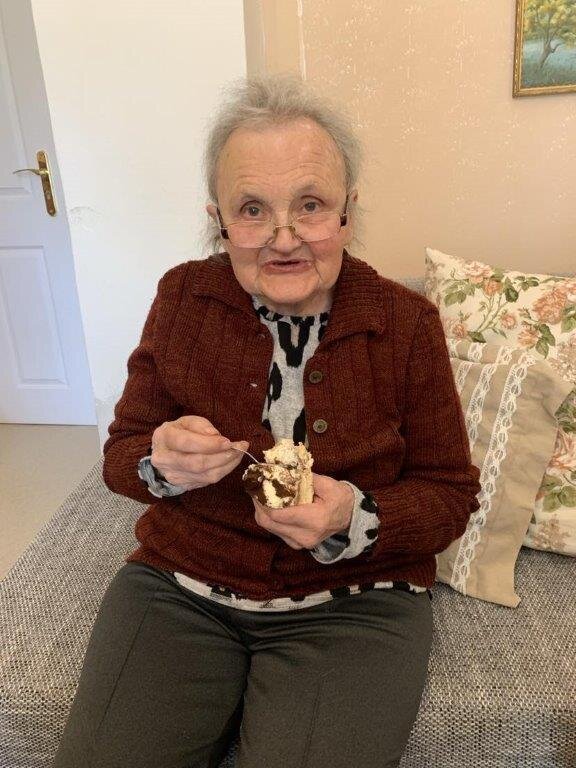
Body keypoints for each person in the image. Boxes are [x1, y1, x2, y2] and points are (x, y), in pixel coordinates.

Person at [53, 74, 481, 768]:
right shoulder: (183, 298)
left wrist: (352, 514)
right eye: (252, 209)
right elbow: (122, 456)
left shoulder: (407, 324)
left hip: (357, 603)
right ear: (219, 220)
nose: (284, 239)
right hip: (181, 588)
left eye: (310, 205)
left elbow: (450, 494)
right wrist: (159, 461)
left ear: (347, 213)